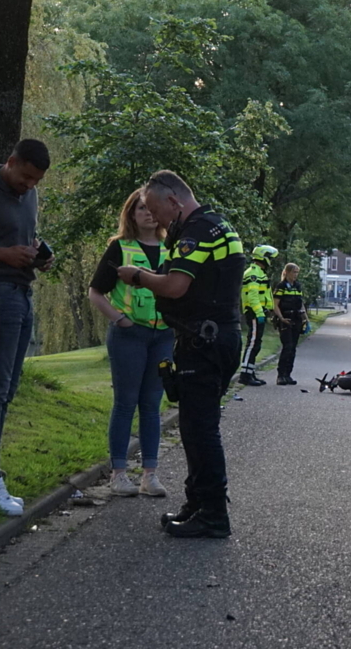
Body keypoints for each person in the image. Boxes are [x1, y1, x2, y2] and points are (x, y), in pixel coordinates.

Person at [117, 170, 246, 538]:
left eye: (158, 212)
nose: (156, 220)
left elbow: (175, 286)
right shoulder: (217, 225)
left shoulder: (197, 231)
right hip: (216, 337)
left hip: (203, 341)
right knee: (193, 427)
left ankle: (213, 515)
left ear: (174, 200)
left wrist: (138, 276)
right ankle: (198, 504)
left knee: (200, 430)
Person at [0, 139, 52, 516]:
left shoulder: (30, 197)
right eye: (25, 178)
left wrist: (38, 255)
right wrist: (1, 254)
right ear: (10, 162)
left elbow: (24, 237)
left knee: (7, 387)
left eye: (36, 182)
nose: (29, 187)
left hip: (22, 291)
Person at [88, 190, 175, 497]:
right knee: (125, 403)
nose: (148, 213)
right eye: (141, 208)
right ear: (131, 214)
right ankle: (119, 473)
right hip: (129, 335)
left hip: (163, 335)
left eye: (152, 208)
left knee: (152, 405)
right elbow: (95, 292)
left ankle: (150, 475)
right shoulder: (119, 248)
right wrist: (119, 319)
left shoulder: (172, 248)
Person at [238, 244, 277, 386]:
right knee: (252, 343)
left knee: (256, 344)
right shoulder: (254, 273)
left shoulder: (260, 272)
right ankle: (244, 375)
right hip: (254, 312)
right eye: (269, 258)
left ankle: (250, 372)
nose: (270, 261)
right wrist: (259, 313)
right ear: (263, 257)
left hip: (259, 312)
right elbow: (253, 296)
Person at [273, 262, 308, 385]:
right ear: (287, 272)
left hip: (296, 318)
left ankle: (288, 374)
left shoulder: (297, 286)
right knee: (287, 347)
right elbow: (275, 304)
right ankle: (280, 375)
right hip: (285, 319)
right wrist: (281, 318)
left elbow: (300, 303)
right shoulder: (281, 286)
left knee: (293, 348)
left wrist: (305, 318)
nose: (296, 275)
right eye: (294, 272)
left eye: (297, 272)